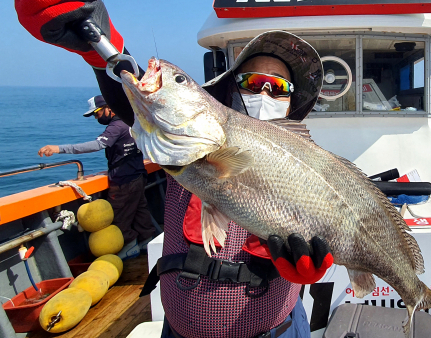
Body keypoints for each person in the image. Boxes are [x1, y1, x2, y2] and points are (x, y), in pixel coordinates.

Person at [16, 1, 329, 337]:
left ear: (290, 103)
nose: (264, 93)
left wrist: (309, 262)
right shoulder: (190, 139)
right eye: (252, 81)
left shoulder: (308, 169)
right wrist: (101, 47)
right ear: (231, 87)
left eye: (279, 87)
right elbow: (139, 99)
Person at [37, 95, 156, 260]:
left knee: (119, 215)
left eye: (97, 113)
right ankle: (146, 241)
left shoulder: (116, 126)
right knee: (139, 210)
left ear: (109, 108)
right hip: (138, 174)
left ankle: (129, 246)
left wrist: (59, 148)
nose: (96, 117)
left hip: (124, 179)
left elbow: (97, 145)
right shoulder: (131, 120)